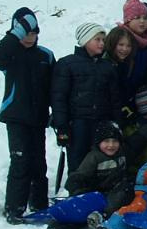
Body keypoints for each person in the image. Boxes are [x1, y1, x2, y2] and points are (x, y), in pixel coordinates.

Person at [0, 6, 55, 224]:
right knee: (20, 161)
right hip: (15, 116)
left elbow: (54, 88)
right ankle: (14, 207)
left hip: (38, 117)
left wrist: (56, 113)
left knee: (39, 162)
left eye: (33, 32)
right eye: (25, 32)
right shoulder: (9, 54)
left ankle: (39, 204)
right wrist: (17, 32)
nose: (29, 37)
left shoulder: (45, 55)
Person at [27, 121, 129, 229]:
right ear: (98, 143)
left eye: (114, 141)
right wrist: (80, 192)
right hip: (93, 196)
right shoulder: (94, 157)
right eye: (106, 141)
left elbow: (138, 140)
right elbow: (76, 178)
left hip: (109, 198)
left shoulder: (122, 154)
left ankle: (100, 222)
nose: (111, 145)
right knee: (72, 216)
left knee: (123, 191)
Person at [50, 22, 119, 173]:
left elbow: (114, 99)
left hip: (101, 123)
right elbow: (59, 98)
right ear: (85, 40)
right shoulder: (67, 64)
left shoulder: (107, 67)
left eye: (103, 40)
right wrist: (62, 126)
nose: (102, 43)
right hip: (77, 124)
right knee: (78, 164)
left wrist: (115, 122)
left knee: (101, 164)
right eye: (97, 39)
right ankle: (77, 188)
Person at [116, 0, 147, 100]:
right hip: (117, 96)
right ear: (128, 20)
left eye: (145, 18)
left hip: (136, 95)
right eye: (137, 18)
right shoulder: (119, 38)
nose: (142, 21)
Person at [104, 26, 138, 118]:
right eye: (121, 45)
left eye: (128, 46)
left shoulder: (127, 63)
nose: (125, 49)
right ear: (112, 43)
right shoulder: (104, 64)